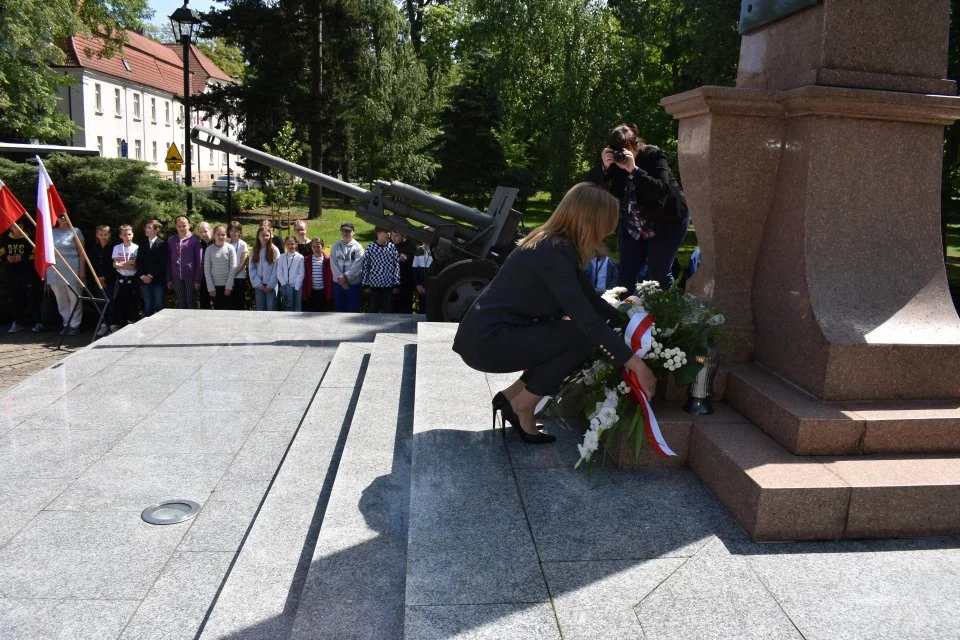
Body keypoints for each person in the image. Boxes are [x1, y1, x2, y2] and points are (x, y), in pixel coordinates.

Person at [453, 182, 657, 444]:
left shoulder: (556, 246)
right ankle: (523, 406)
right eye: (608, 222)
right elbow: (587, 320)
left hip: (489, 334)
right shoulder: (555, 254)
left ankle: (513, 396)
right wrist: (636, 364)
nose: (612, 230)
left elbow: (592, 302)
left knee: (571, 334)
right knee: (580, 336)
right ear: (592, 221)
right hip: (488, 341)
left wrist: (633, 324)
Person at [587, 122, 689, 291]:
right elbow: (588, 187)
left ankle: (668, 314)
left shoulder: (654, 156)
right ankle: (625, 314)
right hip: (634, 224)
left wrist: (634, 170)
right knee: (626, 274)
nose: (622, 156)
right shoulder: (615, 165)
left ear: (636, 146)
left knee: (658, 273)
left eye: (626, 149)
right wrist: (603, 168)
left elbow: (661, 190)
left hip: (667, 220)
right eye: (617, 151)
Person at [47, 214, 86, 335]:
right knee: (61, 298)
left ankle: (75, 325)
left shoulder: (76, 231)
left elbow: (82, 252)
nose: (63, 219)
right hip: (54, 269)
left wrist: (82, 270)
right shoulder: (51, 232)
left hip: (72, 267)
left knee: (74, 296)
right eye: (60, 217)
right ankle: (66, 324)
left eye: (65, 216)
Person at [1, 226, 43, 333]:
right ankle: (17, 322)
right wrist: (7, 258)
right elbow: (2, 252)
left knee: (32, 296)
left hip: (27, 272)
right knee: (15, 297)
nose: (18, 229)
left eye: (20, 226)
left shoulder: (28, 238)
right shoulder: (5, 238)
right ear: (11, 227)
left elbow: (35, 254)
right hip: (12, 272)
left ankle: (38, 322)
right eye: (15, 227)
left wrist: (22, 257)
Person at [167, 216, 204, 309]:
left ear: (189, 226)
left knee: (191, 302)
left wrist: (197, 280)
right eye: (179, 226)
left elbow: (200, 262)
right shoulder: (171, 241)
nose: (181, 228)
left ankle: (192, 323)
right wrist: (168, 279)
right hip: (176, 278)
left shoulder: (195, 240)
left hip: (191, 278)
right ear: (176, 227)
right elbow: (168, 261)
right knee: (181, 302)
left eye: (184, 225)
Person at [362, 227, 400, 313]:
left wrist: (396, 284)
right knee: (372, 313)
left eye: (389, 232)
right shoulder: (371, 247)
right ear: (378, 233)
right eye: (386, 232)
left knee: (388, 312)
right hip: (374, 288)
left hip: (388, 288)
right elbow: (365, 266)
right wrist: (365, 284)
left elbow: (396, 266)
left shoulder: (392, 247)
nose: (388, 234)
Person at [86, 224, 116, 336]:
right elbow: (91, 264)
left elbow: (114, 266)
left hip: (110, 280)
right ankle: (104, 324)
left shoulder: (113, 248)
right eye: (101, 234)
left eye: (105, 234)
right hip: (97, 280)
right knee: (101, 302)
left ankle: (112, 325)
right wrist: (96, 278)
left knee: (111, 302)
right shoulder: (94, 248)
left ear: (109, 235)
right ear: (97, 235)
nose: (103, 237)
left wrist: (105, 277)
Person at [330, 222, 364, 312]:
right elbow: (333, 264)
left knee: (352, 310)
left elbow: (358, 265)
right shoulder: (335, 247)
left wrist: (346, 277)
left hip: (353, 284)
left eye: (349, 231)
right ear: (341, 232)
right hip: (338, 284)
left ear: (353, 233)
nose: (346, 233)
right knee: (339, 310)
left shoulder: (358, 247)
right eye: (344, 231)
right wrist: (341, 279)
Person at [111, 224, 139, 330]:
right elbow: (114, 265)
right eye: (124, 235)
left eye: (129, 234)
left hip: (132, 280)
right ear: (120, 236)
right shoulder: (117, 248)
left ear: (132, 235)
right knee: (122, 304)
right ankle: (122, 325)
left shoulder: (136, 248)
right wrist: (128, 263)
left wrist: (122, 263)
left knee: (134, 303)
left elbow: (134, 266)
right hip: (121, 279)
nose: (127, 237)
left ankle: (134, 325)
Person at [137, 219, 167, 317]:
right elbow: (139, 262)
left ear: (156, 230)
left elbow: (162, 263)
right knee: (148, 306)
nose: (146, 230)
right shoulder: (142, 244)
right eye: (146, 228)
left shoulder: (162, 244)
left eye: (149, 228)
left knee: (159, 305)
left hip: (158, 280)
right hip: (144, 281)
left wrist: (150, 276)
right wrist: (142, 276)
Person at [203, 224, 237, 310]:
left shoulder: (230, 248)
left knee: (228, 310)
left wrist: (228, 287)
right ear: (214, 235)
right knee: (217, 311)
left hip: (227, 286)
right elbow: (207, 270)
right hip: (215, 287)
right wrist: (211, 288)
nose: (221, 236)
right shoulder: (209, 249)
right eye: (218, 234)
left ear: (226, 235)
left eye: (223, 234)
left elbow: (233, 267)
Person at [249, 226, 280, 311]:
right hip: (259, 285)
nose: (265, 237)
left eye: (267, 235)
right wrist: (259, 284)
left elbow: (276, 269)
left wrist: (270, 285)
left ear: (270, 236)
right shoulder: (254, 250)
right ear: (258, 236)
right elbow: (252, 268)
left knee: (271, 308)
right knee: (260, 309)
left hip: (271, 286)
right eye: (262, 235)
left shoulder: (274, 250)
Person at [302, 237, 333, 312]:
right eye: (314, 246)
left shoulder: (328, 260)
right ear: (311, 247)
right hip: (311, 292)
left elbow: (329, 278)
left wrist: (329, 294)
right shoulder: (306, 260)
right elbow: (304, 278)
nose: (316, 248)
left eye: (318, 246)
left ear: (323, 247)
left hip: (323, 292)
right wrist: (305, 293)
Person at [276, 235, 305, 311]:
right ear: (285, 245)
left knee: (297, 308)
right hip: (285, 287)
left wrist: (296, 287)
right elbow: (279, 272)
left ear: (296, 244)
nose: (290, 246)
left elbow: (301, 274)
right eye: (288, 244)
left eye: (292, 244)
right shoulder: (281, 257)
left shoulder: (300, 257)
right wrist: (285, 285)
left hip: (296, 288)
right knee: (287, 308)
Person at [391, 230, 416, 313]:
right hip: (392, 284)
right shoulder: (390, 246)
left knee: (406, 309)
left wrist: (405, 259)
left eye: (396, 235)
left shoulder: (411, 247)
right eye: (392, 235)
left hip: (406, 285)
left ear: (403, 236)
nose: (393, 238)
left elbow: (412, 264)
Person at [227, 221, 249, 310]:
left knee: (239, 302)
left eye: (236, 230)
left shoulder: (243, 244)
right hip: (228, 278)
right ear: (228, 231)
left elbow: (243, 262)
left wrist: (233, 274)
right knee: (229, 303)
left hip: (239, 277)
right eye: (231, 230)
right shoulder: (227, 243)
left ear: (240, 231)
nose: (234, 233)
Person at [412, 240, 435, 313]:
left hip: (432, 285)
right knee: (422, 308)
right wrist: (418, 284)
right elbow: (414, 268)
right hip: (421, 286)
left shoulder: (436, 250)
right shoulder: (419, 250)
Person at [196, 221, 213, 310]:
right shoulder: (198, 245)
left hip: (216, 278)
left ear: (210, 230)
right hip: (203, 279)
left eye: (205, 231)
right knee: (204, 304)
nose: (203, 234)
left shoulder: (216, 242)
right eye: (201, 232)